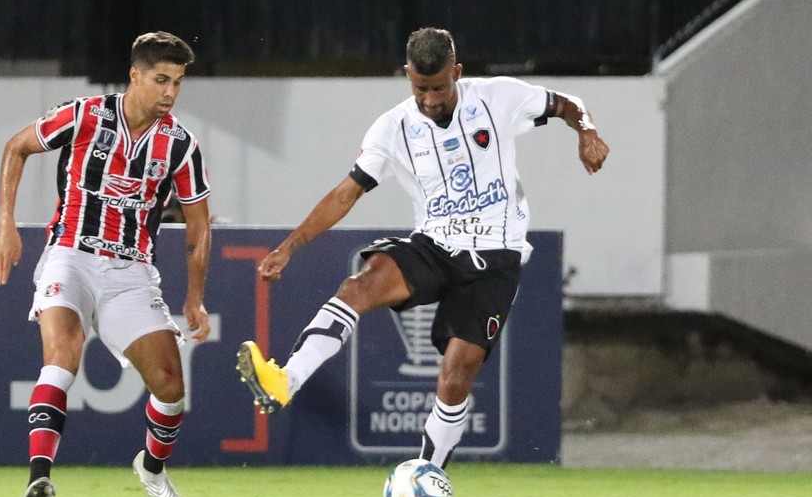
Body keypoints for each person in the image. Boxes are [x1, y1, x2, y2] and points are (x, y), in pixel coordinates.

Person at [237, 27, 609, 470]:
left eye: (439, 87)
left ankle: (429, 473)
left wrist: (586, 132)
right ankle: (286, 380)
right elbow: (345, 194)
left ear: (458, 72)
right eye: (420, 88)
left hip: (496, 258)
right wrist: (289, 247)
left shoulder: (498, 97)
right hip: (435, 245)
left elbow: (568, 105)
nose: (430, 99)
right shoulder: (392, 128)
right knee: (359, 285)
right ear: (407, 74)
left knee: (455, 376)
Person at [0, 31, 211, 497]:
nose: (170, 93)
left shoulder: (180, 145)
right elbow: (17, 147)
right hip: (70, 254)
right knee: (63, 355)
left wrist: (195, 295)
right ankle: (40, 477)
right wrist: (6, 224)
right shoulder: (85, 115)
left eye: (177, 82)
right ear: (135, 75)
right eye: (161, 80)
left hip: (131, 270)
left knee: (171, 386)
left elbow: (199, 226)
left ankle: (152, 470)